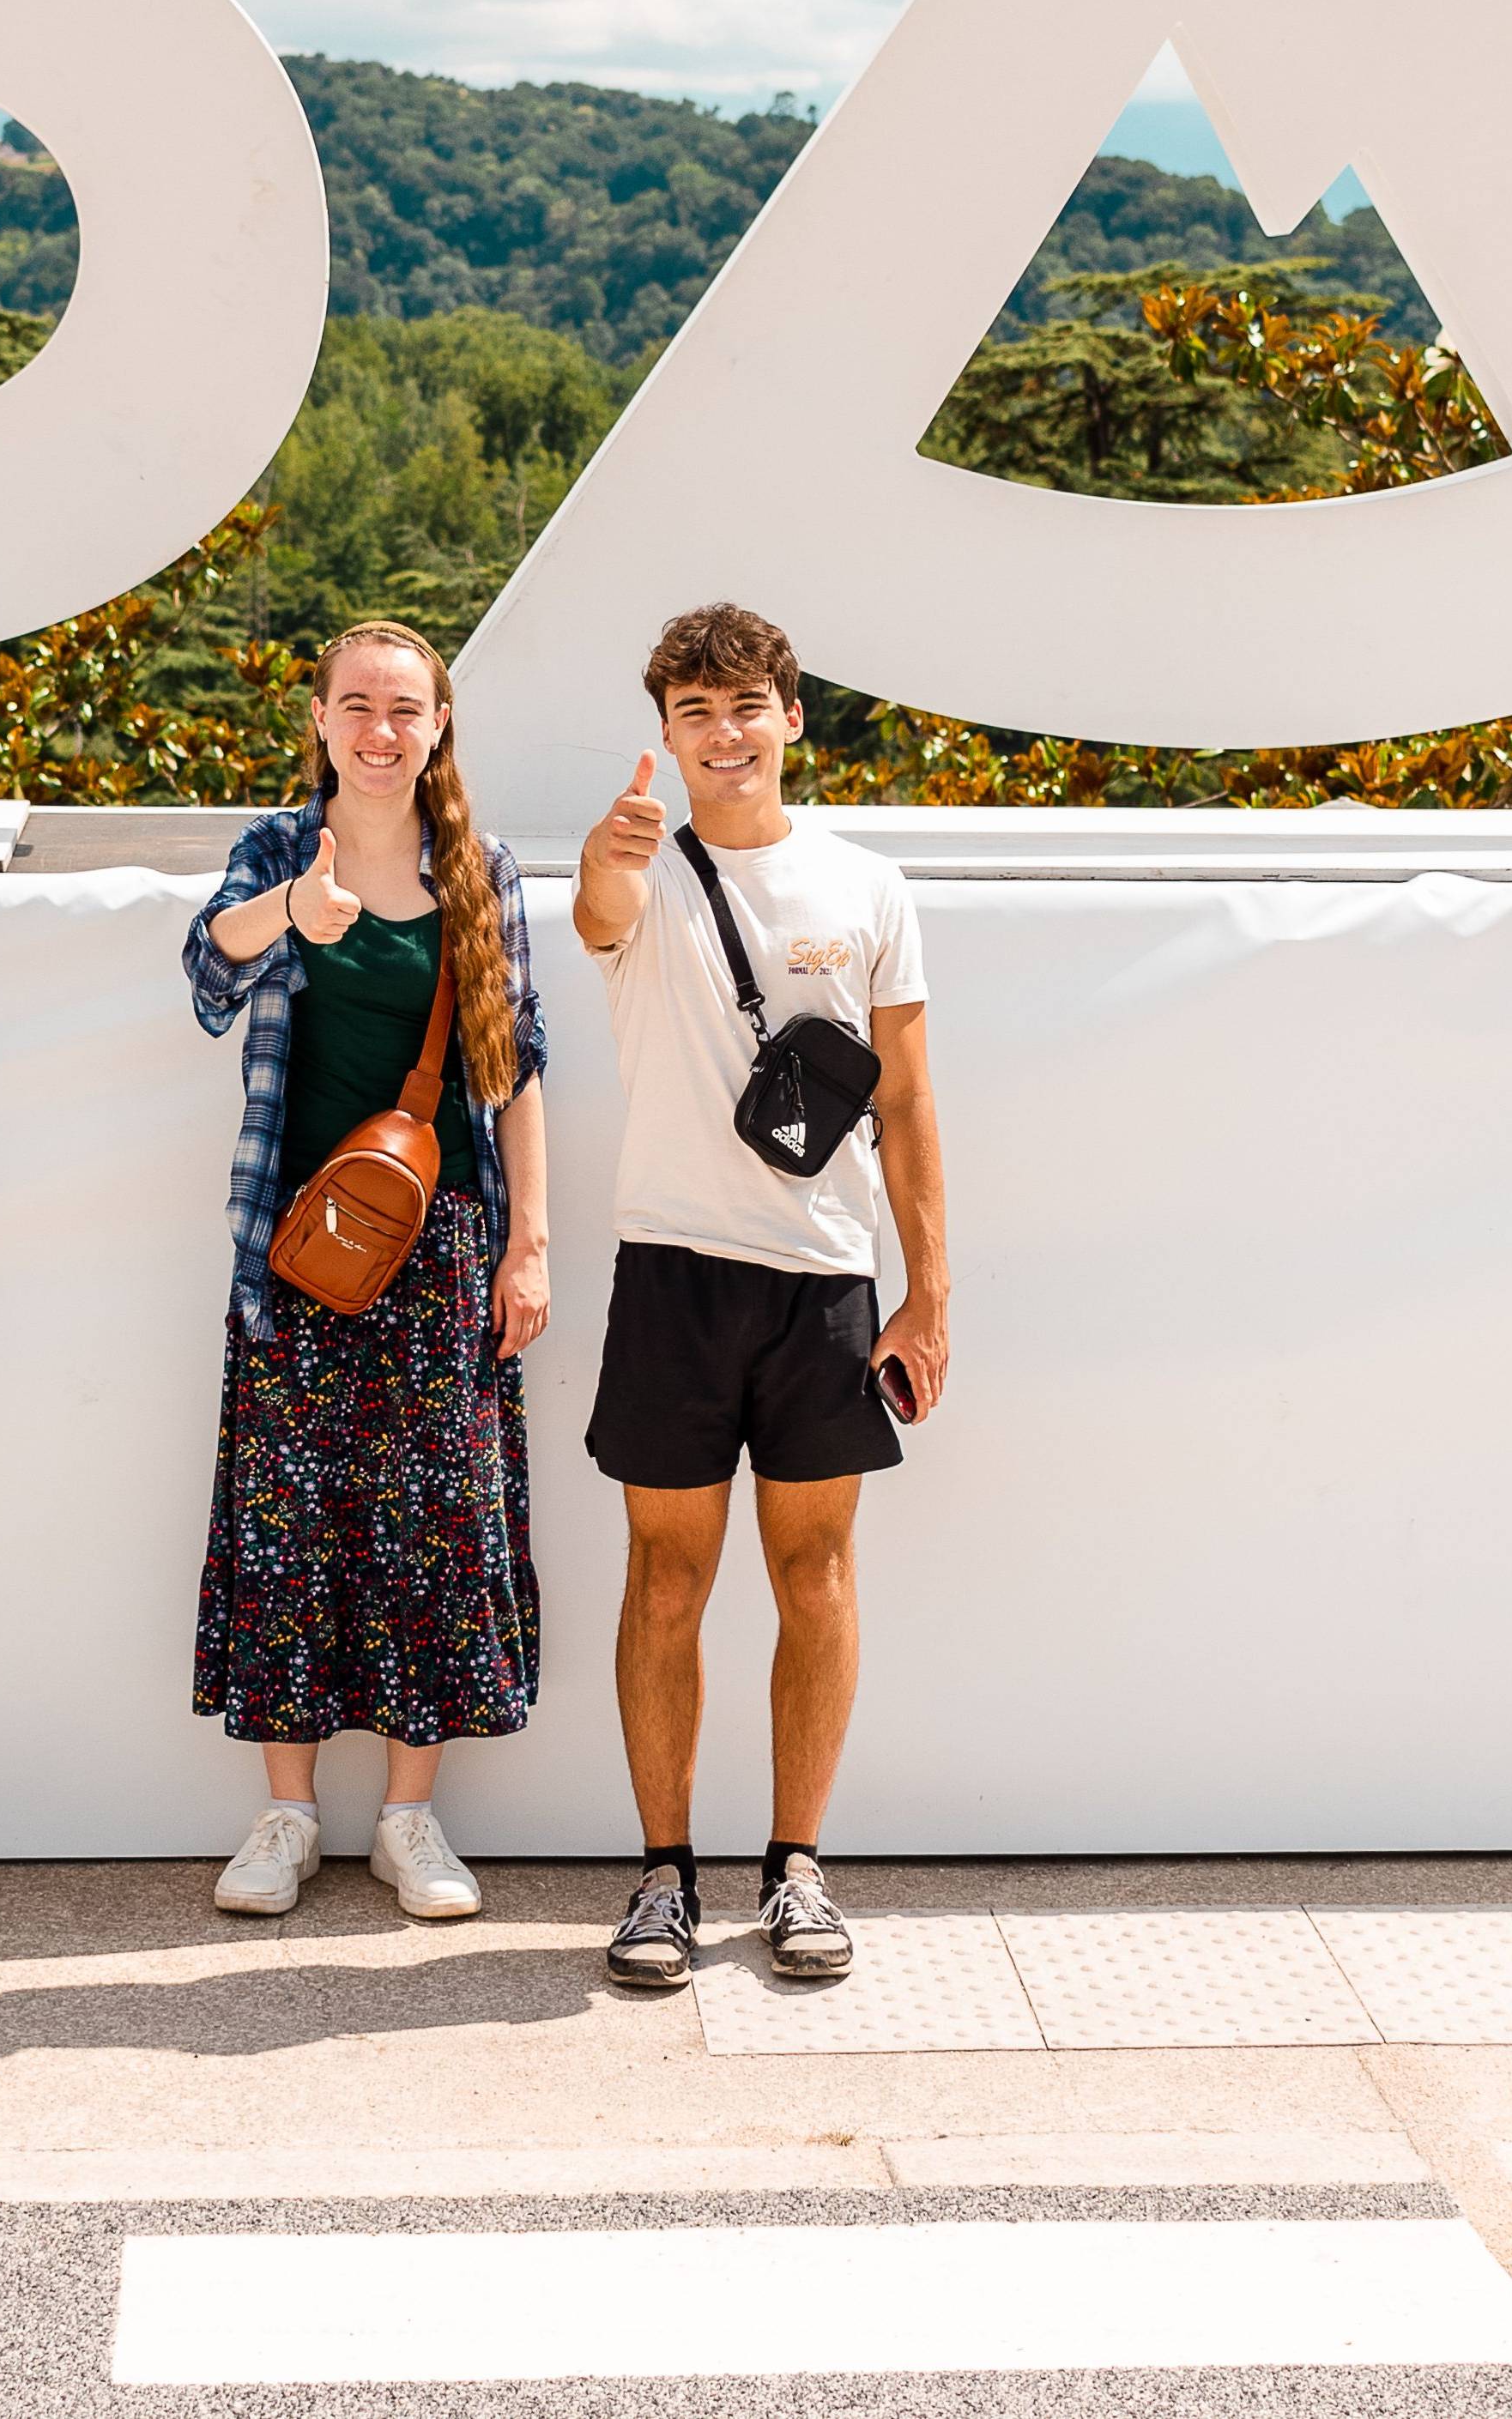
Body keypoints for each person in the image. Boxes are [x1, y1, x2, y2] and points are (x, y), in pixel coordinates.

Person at [571, 602, 950, 1992]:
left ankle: (797, 1866)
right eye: (692, 713)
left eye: (744, 706)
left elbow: (906, 1102)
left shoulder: (868, 885)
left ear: (793, 715)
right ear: (665, 737)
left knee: (818, 1574)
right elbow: (595, 913)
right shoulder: (640, 872)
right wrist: (613, 859)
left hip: (830, 1284)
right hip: (671, 1268)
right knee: (667, 1577)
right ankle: (662, 1876)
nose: (721, 734)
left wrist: (931, 1297)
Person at [183, 620, 553, 1923]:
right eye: (357, 705)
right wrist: (295, 909)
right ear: (324, 720)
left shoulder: (481, 869)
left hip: (445, 1243)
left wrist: (532, 1244)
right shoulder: (283, 850)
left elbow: (512, 1070)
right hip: (294, 1241)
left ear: (439, 723)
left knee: (435, 1527)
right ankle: (285, 1817)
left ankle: (408, 1816)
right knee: (289, 1520)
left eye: (405, 707)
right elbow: (205, 971)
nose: (380, 728)